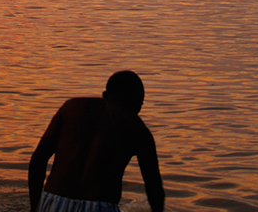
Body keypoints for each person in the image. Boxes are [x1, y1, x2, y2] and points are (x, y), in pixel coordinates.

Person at [29, 71, 165, 212]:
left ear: (105, 95)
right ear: (136, 99)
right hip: (100, 207)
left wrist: (35, 208)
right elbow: (154, 187)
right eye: (141, 103)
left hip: (54, 202)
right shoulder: (137, 128)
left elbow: (38, 160)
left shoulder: (71, 108)